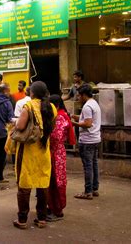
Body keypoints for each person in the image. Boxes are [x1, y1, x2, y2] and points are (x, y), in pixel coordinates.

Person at [12, 81, 56, 229]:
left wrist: (15, 123)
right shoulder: (52, 107)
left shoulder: (28, 107)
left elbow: (20, 126)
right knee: (42, 184)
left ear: (32, 93)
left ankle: (22, 220)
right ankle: (42, 218)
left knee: (24, 185)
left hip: (28, 152)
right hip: (44, 152)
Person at [47, 94, 76, 222]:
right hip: (56, 151)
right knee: (52, 180)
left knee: (56, 180)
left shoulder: (59, 117)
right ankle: (52, 206)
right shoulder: (61, 115)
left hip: (56, 152)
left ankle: (57, 209)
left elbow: (55, 137)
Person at [71, 84, 101, 200]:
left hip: (87, 139)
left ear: (84, 95)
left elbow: (87, 124)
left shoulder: (87, 107)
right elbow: (87, 119)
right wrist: (75, 116)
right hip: (95, 138)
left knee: (88, 166)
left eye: (79, 95)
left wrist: (74, 124)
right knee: (94, 164)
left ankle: (88, 191)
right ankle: (94, 189)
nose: (78, 98)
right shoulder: (94, 104)